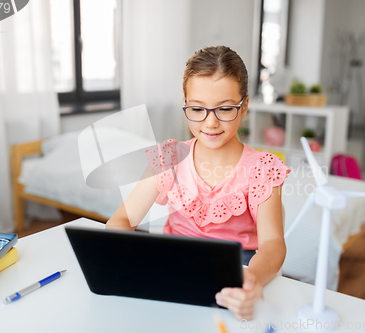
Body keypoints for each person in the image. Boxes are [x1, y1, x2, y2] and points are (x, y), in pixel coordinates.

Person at [107, 45, 291, 320]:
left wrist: (251, 277)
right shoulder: (168, 157)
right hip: (175, 266)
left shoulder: (262, 169)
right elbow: (121, 220)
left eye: (225, 109)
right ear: (186, 104)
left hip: (239, 270)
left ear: (245, 107)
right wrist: (137, 259)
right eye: (197, 109)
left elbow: (273, 244)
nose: (211, 122)